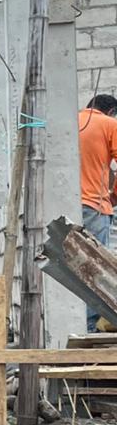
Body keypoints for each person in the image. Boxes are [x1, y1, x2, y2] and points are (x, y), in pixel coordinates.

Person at [78, 93, 117, 329]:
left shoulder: (72, 122)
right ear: (111, 111)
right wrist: (115, 196)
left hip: (64, 206)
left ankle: (75, 323)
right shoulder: (108, 124)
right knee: (94, 268)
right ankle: (89, 326)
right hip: (94, 205)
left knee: (70, 266)